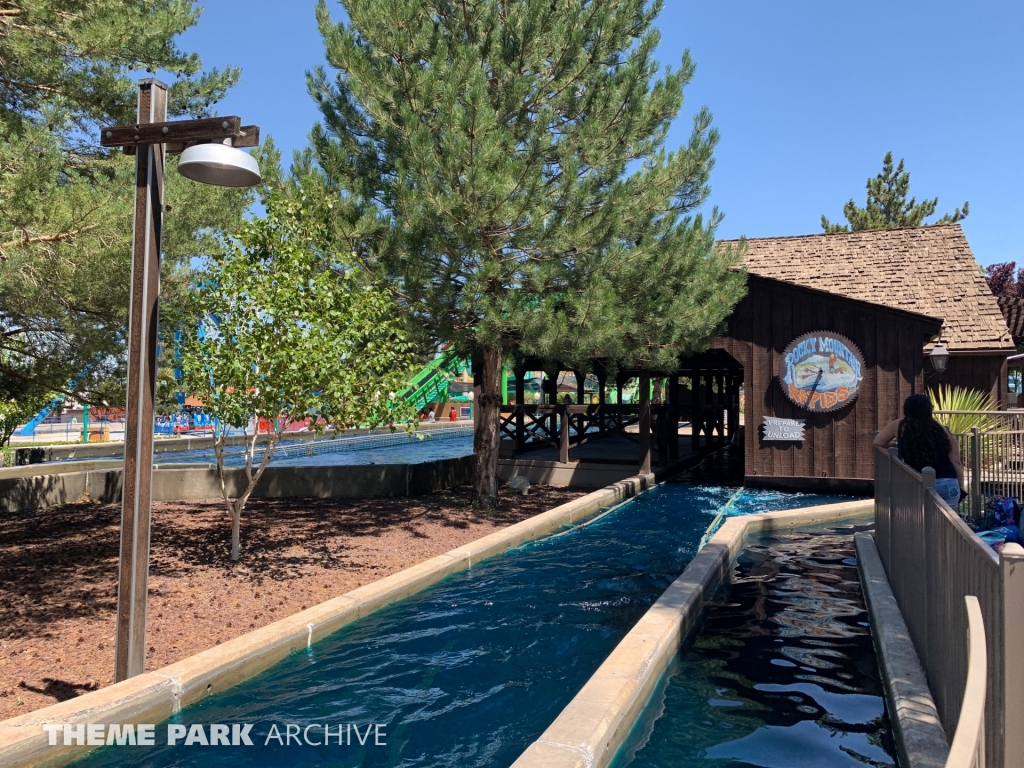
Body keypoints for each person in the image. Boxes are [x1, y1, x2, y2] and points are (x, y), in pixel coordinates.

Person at [874, 393, 964, 507]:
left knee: (921, 522)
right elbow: (956, 462)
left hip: (917, 482)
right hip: (949, 483)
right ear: (930, 409)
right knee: (947, 523)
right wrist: (961, 487)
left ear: (907, 409)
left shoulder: (900, 425)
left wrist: (899, 445)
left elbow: (878, 441)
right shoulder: (943, 430)